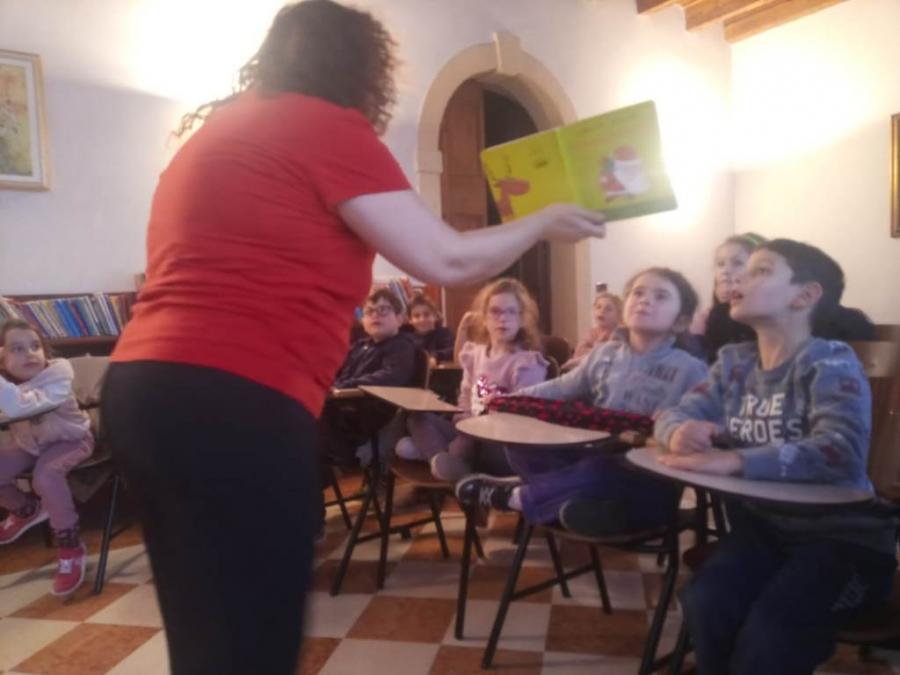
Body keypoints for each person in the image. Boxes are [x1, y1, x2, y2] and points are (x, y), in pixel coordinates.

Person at [99, 2, 606, 673]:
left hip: (142, 389)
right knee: (253, 637)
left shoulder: (219, 132)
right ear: (362, 69)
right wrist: (541, 221)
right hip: (234, 397)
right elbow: (446, 259)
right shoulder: (323, 124)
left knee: (203, 623)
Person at [655, 239, 897, 675]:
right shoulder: (733, 363)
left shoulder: (830, 361)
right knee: (706, 599)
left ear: (805, 296)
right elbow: (674, 412)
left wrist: (737, 460)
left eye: (760, 270)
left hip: (845, 543)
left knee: (774, 629)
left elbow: (838, 450)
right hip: (765, 533)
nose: (738, 277)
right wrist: (678, 431)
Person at [455, 268, 707, 534]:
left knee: (603, 468)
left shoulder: (690, 369)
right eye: (638, 293)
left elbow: (706, 420)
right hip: (592, 456)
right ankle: (575, 505)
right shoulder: (604, 354)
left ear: (681, 321)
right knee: (521, 445)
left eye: (661, 296)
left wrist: (680, 425)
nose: (645, 300)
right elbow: (562, 387)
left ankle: (517, 497)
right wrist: (510, 400)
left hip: (644, 476)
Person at [396, 278, 548, 481]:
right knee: (416, 417)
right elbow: (465, 398)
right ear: (484, 318)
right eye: (495, 311)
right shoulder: (474, 354)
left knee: (464, 440)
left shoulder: (527, 363)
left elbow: (522, 418)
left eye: (511, 312)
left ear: (522, 319)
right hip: (469, 431)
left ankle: (436, 456)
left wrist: (474, 430)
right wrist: (464, 424)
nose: (503, 318)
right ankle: (446, 461)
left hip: (500, 442)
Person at [0, 319, 93, 596]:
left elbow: (20, 405)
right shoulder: (8, 383)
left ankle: (70, 545)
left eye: (35, 346)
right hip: (29, 444)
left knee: (46, 476)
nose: (29, 353)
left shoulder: (58, 375)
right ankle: (26, 509)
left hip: (71, 439)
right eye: (17, 348)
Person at [695, 233, 766, 362]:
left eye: (737, 263)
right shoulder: (710, 315)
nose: (726, 270)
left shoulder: (762, 314)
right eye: (720, 264)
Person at [562, 291, 622, 370]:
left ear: (619, 315)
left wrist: (597, 347)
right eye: (598, 307)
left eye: (608, 309)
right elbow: (579, 351)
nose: (602, 311)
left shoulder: (619, 333)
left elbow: (613, 354)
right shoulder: (592, 332)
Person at [403, 293, 454, 364]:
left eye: (426, 315)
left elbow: (451, 351)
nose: (422, 319)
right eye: (417, 316)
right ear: (410, 320)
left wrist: (435, 356)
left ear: (435, 316)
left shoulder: (445, 334)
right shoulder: (405, 337)